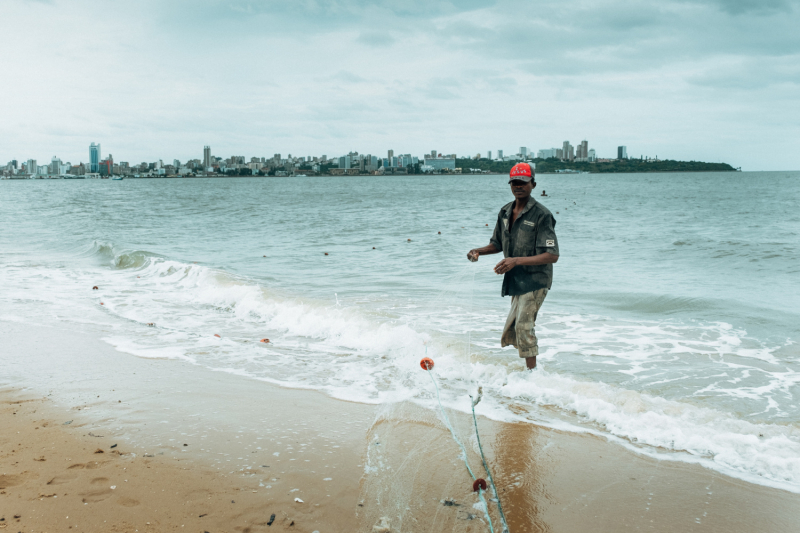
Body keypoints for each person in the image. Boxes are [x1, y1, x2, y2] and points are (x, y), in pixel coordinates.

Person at [467, 163, 559, 370]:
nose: (519, 187)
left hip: (536, 280)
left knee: (524, 326)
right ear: (510, 185)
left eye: (523, 183)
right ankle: (528, 373)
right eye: (515, 183)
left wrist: (515, 260)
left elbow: (552, 255)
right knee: (515, 328)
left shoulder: (542, 215)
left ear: (533, 184)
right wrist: (478, 251)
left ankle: (532, 375)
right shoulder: (505, 212)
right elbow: (497, 244)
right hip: (515, 280)